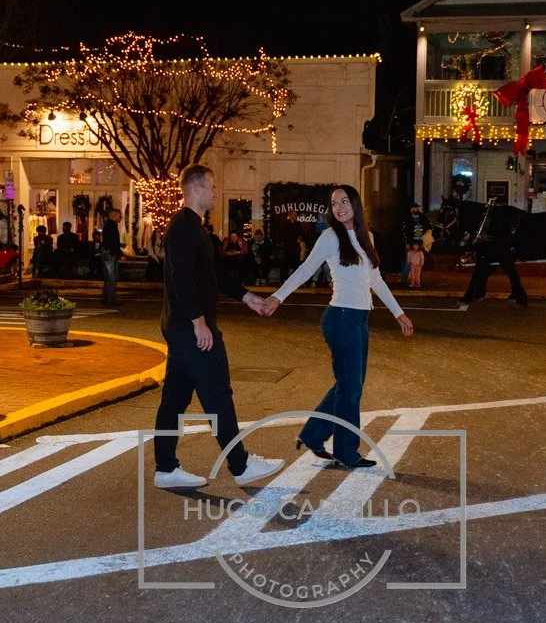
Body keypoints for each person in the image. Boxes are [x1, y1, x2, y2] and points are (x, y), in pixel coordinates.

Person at [260, 185, 414, 469]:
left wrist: (399, 313)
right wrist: (278, 296)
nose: (339, 207)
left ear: (355, 203)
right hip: (341, 318)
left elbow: (375, 280)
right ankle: (345, 451)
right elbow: (306, 269)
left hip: (358, 320)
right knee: (351, 388)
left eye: (344, 201)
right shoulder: (330, 237)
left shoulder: (366, 236)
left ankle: (313, 434)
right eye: (334, 203)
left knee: (348, 385)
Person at [152, 165, 282, 490]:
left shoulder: (196, 228)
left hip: (182, 328)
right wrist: (198, 321)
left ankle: (166, 468)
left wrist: (247, 297)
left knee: (175, 400)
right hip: (189, 327)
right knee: (218, 395)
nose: (214, 191)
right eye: (211, 185)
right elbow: (178, 279)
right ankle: (241, 465)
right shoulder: (183, 227)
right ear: (195, 189)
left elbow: (214, 274)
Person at [458, 202, 529, 308]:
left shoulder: (494, 227)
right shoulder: (491, 224)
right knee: (487, 270)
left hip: (498, 249)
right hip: (497, 249)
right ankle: (478, 293)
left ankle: (473, 294)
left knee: (485, 270)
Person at [99, 208, 123, 305]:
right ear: (115, 216)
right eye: (119, 216)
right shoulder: (111, 226)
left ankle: (106, 297)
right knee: (112, 276)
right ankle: (110, 298)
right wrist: (119, 253)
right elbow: (113, 242)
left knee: (108, 276)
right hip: (110, 253)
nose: (121, 218)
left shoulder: (108, 226)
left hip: (107, 252)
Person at [400, 202, 426, 285]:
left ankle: (417, 280)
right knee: (408, 260)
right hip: (410, 242)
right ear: (411, 209)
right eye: (415, 208)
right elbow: (404, 231)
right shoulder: (407, 219)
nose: (417, 209)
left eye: (417, 208)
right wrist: (407, 242)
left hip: (420, 242)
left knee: (419, 260)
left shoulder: (423, 218)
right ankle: (405, 279)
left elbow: (428, 227)